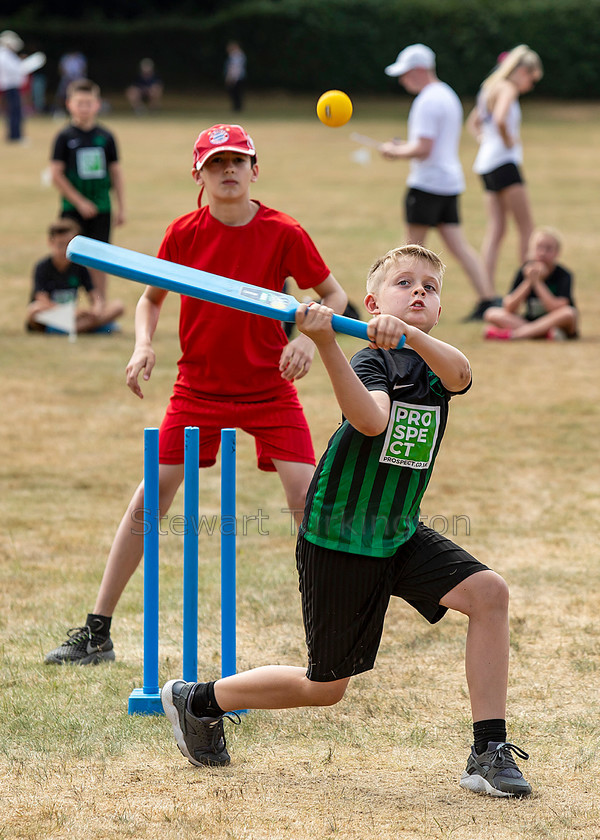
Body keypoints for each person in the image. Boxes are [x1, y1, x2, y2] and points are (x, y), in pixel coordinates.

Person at [160, 243, 532, 799]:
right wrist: (330, 342)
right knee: (325, 688)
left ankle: (488, 750)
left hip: (397, 529)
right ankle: (199, 701)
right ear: (371, 301)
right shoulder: (370, 360)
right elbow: (369, 418)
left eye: (429, 287)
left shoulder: (430, 360)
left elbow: (460, 374)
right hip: (339, 532)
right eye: (404, 284)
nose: (419, 293)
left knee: (488, 593)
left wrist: (410, 335)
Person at [44, 123, 347, 666]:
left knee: (308, 502)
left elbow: (333, 294)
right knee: (149, 499)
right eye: (215, 163)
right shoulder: (183, 233)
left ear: (255, 170)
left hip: (268, 390)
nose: (227, 171)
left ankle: (342, 629)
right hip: (199, 387)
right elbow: (150, 299)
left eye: (237, 161)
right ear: (199, 175)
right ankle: (97, 631)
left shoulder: (284, 232)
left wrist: (308, 337)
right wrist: (142, 345)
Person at [380, 44, 497, 321]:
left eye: (406, 73)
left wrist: (394, 151)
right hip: (448, 182)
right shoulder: (447, 94)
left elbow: (423, 147)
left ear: (420, 70)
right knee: (458, 246)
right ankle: (489, 300)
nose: (402, 79)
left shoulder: (427, 101)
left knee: (409, 252)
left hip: (427, 183)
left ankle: (395, 308)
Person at [466, 46, 543, 292]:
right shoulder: (508, 88)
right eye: (531, 79)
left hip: (486, 163)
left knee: (496, 229)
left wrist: (484, 140)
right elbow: (500, 119)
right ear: (522, 71)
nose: (530, 85)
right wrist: (508, 140)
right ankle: (528, 287)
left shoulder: (489, 87)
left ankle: (487, 291)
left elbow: (473, 122)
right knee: (527, 228)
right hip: (505, 163)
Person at [50, 78, 126, 300]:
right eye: (79, 102)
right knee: (67, 256)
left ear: (97, 104)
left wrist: (121, 206)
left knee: (100, 260)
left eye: (88, 102)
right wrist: (79, 202)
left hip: (101, 207)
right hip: (72, 209)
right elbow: (56, 174)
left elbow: (116, 172)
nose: (84, 107)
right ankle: (66, 308)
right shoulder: (64, 138)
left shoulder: (106, 137)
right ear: (69, 104)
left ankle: (100, 307)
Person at [26, 219, 124, 334]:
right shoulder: (43, 267)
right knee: (34, 310)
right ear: (50, 242)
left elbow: (95, 295)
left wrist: (97, 308)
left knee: (118, 306)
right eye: (61, 245)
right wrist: (71, 312)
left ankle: (68, 329)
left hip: (74, 317)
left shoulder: (79, 267)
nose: (65, 250)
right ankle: (87, 327)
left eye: (69, 244)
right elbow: (41, 299)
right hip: (54, 314)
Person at [483, 226, 577, 340]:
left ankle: (515, 335)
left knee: (569, 314)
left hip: (556, 321)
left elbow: (558, 308)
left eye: (548, 249)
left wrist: (538, 283)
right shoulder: (524, 271)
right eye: (539, 247)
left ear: (557, 252)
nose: (542, 253)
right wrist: (528, 281)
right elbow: (509, 307)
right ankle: (543, 334)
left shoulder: (564, 275)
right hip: (532, 322)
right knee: (491, 313)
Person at [0, 30, 26, 141]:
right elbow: (12, 70)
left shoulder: (8, 55)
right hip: (10, 86)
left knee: (15, 111)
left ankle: (15, 134)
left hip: (12, 86)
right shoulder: (4, 55)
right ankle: (14, 135)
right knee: (14, 111)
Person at [224, 41, 246, 112]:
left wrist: (231, 78)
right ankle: (237, 107)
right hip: (238, 78)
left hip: (236, 78)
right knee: (236, 94)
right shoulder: (238, 56)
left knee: (236, 93)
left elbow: (235, 68)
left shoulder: (236, 56)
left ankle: (237, 108)